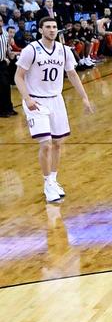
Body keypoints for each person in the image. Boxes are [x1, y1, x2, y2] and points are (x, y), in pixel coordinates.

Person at [13, 16, 95, 203]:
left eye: (54, 27)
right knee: (46, 143)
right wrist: (27, 98)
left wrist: (84, 98)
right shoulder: (31, 50)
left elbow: (72, 74)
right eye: (48, 27)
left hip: (56, 99)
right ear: (41, 30)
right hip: (36, 101)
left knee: (58, 143)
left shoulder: (64, 50)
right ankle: (47, 183)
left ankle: (53, 179)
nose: (52, 30)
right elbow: (18, 77)